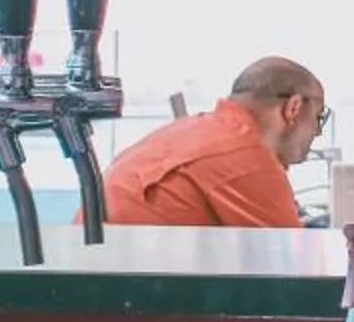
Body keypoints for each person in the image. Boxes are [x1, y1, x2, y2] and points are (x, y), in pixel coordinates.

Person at [101, 56, 328, 229]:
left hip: (90, 273)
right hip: (125, 283)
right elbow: (294, 269)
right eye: (318, 118)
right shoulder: (244, 153)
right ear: (294, 108)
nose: (316, 133)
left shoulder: (188, 131)